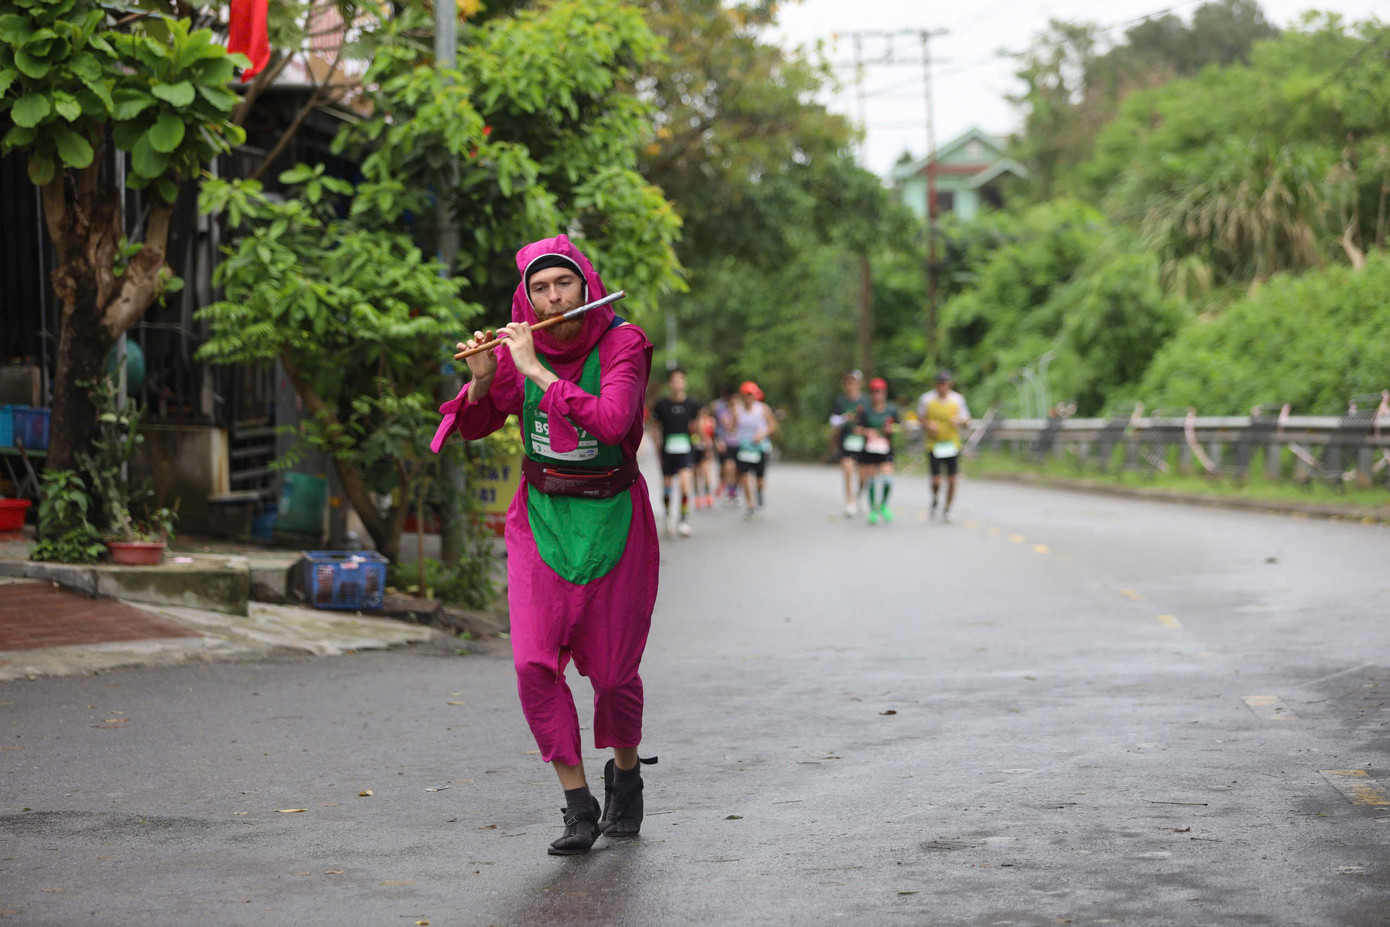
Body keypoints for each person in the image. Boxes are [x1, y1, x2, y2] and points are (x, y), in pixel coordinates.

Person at [432, 234, 659, 856]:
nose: (553, 297)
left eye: (563, 284)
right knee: (534, 664)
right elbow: (475, 426)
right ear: (526, 297)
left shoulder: (624, 344)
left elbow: (613, 422)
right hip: (540, 518)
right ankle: (578, 804)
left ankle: (627, 775)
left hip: (613, 517)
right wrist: (483, 381)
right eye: (540, 289)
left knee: (613, 676)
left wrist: (534, 369)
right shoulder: (516, 349)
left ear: (586, 284)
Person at [649, 367, 701, 537]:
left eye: (680, 380)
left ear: (684, 383)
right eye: (674, 380)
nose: (677, 384)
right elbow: (655, 429)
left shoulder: (692, 405)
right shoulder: (661, 405)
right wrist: (657, 449)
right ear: (670, 383)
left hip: (685, 450)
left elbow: (697, 428)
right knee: (667, 488)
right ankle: (668, 514)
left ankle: (683, 519)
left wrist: (700, 443)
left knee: (686, 485)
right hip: (667, 451)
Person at [918, 370, 971, 522]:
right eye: (940, 384)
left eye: (945, 384)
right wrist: (928, 425)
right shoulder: (927, 399)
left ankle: (948, 508)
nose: (942, 387)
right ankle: (935, 498)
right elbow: (919, 418)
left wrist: (959, 421)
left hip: (952, 444)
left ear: (950, 384)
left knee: (952, 479)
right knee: (936, 480)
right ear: (936, 385)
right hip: (934, 445)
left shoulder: (957, 399)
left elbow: (967, 418)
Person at [724, 381, 777, 519]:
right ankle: (750, 505)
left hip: (759, 448)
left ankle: (759, 492)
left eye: (751, 394)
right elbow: (732, 428)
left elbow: (772, 425)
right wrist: (729, 421)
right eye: (746, 395)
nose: (749, 398)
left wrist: (762, 434)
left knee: (759, 480)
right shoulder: (738, 410)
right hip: (744, 448)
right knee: (745, 476)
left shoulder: (762, 409)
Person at [855, 377, 899, 525]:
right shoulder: (864, 409)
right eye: (874, 392)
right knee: (871, 479)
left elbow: (900, 426)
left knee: (887, 479)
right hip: (870, 449)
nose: (877, 395)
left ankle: (884, 505)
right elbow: (857, 428)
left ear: (884, 393)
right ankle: (873, 509)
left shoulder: (891, 409)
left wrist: (891, 429)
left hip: (885, 448)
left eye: (879, 392)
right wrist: (867, 432)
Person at [829, 371, 866, 517]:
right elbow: (833, 421)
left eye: (853, 381)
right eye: (847, 382)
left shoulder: (866, 401)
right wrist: (845, 418)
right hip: (846, 440)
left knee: (864, 474)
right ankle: (850, 501)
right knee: (848, 469)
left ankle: (860, 494)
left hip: (863, 441)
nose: (850, 385)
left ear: (859, 384)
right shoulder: (841, 401)